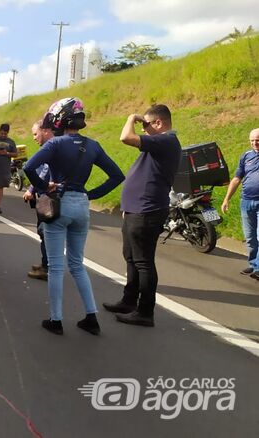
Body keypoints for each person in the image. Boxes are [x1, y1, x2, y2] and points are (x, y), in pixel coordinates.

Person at [24, 97, 125, 336]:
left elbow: (29, 167)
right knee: (78, 264)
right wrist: (90, 194)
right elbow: (117, 176)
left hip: (59, 204)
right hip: (82, 205)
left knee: (57, 267)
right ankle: (91, 317)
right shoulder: (93, 146)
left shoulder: (56, 144)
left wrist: (43, 187)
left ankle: (56, 320)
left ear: (59, 119)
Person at [103, 105, 182, 327]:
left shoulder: (166, 140)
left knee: (143, 261)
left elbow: (126, 137)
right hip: (136, 209)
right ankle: (129, 301)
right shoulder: (158, 144)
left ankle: (145, 311)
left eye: (146, 124)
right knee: (131, 256)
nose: (143, 129)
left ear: (158, 123)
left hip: (147, 210)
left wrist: (131, 117)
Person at [221, 128, 259, 281]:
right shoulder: (246, 156)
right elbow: (237, 179)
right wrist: (226, 199)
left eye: (257, 140)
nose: (255, 143)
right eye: (252, 141)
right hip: (246, 202)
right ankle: (254, 264)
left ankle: (258, 267)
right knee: (250, 237)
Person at [23, 118, 54, 281]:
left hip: (48, 196)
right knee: (43, 231)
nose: (34, 137)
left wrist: (31, 189)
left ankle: (48, 268)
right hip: (44, 195)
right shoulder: (48, 147)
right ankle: (45, 264)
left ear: (45, 131)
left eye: (36, 134)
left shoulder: (52, 147)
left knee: (45, 231)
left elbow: (45, 170)